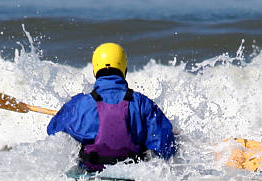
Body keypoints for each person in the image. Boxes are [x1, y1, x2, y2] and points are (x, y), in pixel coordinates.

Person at [47, 42, 176, 172]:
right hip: (133, 174)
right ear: (124, 69)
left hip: (93, 172)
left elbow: (52, 131)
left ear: (95, 70)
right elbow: (165, 147)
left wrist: (65, 117)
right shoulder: (142, 103)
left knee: (74, 142)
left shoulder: (79, 104)